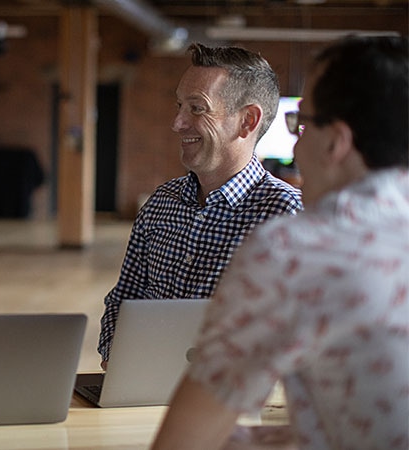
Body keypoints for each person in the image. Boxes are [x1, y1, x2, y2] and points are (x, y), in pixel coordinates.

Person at [152, 35, 409, 450]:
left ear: (335, 142)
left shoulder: (299, 251)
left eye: (300, 123)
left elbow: (184, 442)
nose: (294, 143)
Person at [98, 43, 303, 367]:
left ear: (247, 121)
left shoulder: (287, 215)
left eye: (197, 108)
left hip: (227, 402)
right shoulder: (160, 203)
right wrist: (116, 359)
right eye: (179, 105)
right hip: (140, 391)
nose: (177, 123)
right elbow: (125, 296)